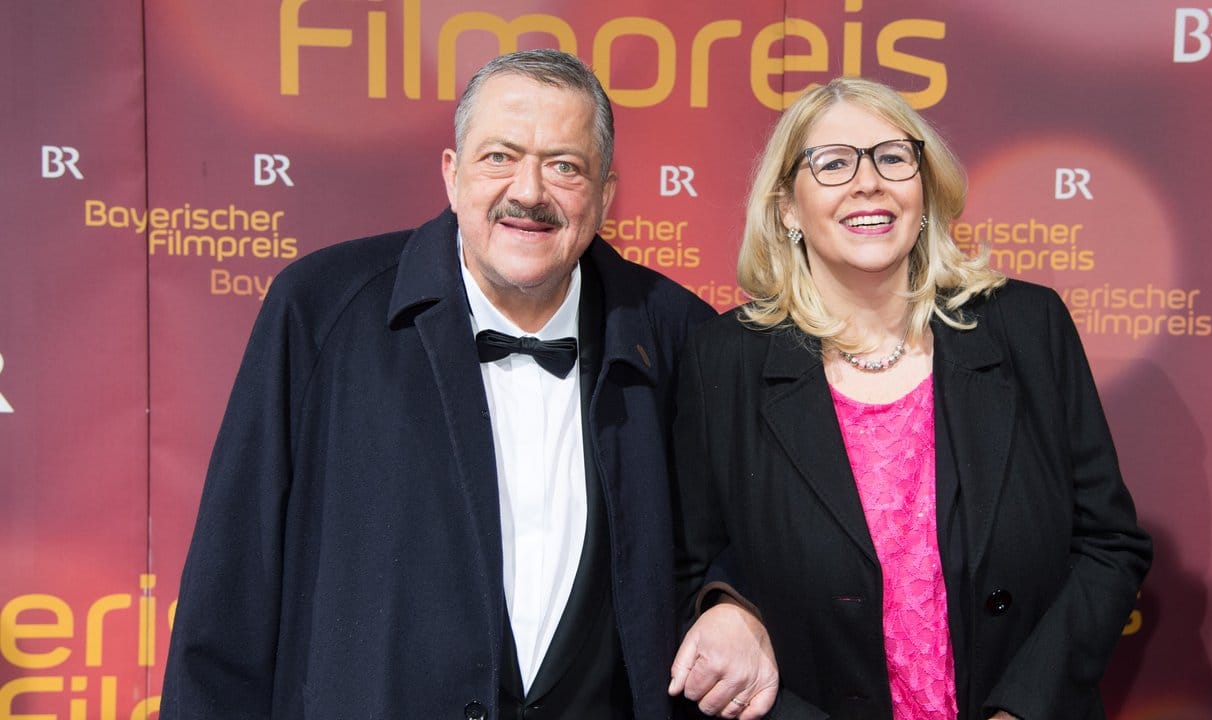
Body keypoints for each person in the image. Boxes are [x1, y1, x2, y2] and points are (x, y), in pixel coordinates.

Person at [160, 49, 773, 720]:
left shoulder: (680, 335)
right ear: (452, 176)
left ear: (604, 194)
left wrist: (733, 602)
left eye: (564, 166)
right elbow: (233, 580)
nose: (529, 192)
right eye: (499, 157)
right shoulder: (320, 310)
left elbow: (751, 534)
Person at [669, 76, 1153, 720]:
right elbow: (692, 565)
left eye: (893, 157)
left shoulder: (1028, 327)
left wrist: (1022, 711)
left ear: (924, 188)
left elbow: (1109, 546)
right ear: (787, 208)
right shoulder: (722, 359)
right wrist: (726, 606)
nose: (868, 182)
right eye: (833, 163)